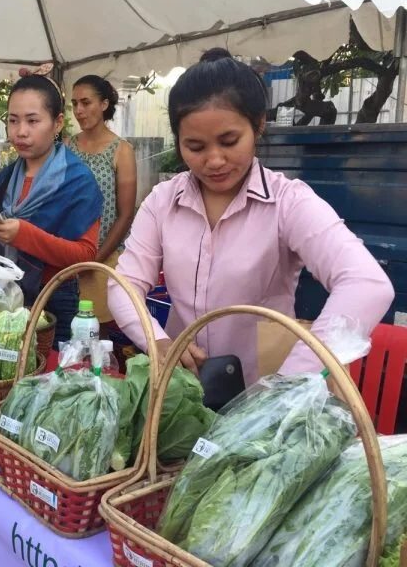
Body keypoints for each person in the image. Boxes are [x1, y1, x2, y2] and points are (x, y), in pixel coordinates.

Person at [108, 48, 394, 385]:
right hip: (181, 391)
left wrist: (291, 381)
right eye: (195, 147)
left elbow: (367, 283)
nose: (214, 160)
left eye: (229, 141)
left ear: (258, 126)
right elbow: (124, 285)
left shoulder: (287, 202)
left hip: (263, 398)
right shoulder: (163, 201)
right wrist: (156, 341)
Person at [0, 74, 103, 344]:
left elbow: (85, 255)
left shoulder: (77, 181)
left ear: (57, 123)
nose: (20, 131)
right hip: (5, 295)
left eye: (32, 120)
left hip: (54, 297)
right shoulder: (5, 179)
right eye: (13, 121)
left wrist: (22, 234)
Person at [67, 75, 137, 330]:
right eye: (75, 104)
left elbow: (126, 214)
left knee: (99, 334)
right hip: (68, 256)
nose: (79, 111)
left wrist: (95, 259)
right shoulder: (67, 147)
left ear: (104, 104)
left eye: (86, 103)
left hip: (104, 257)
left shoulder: (121, 150)